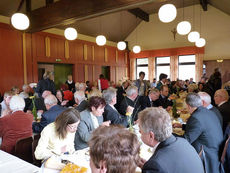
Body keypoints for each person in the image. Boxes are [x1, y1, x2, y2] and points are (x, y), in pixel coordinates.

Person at [138, 107, 204, 173]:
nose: (139, 131)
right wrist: (147, 168)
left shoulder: (155, 164)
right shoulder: (183, 141)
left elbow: (160, 166)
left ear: (151, 136)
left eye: (140, 129)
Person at [181, 93, 223, 173]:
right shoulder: (207, 111)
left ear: (188, 106)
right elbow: (200, 128)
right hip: (215, 150)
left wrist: (170, 137)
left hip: (206, 154)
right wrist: (183, 126)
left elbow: (186, 141)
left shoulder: (195, 117)